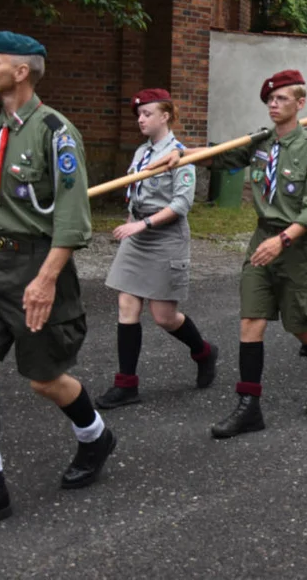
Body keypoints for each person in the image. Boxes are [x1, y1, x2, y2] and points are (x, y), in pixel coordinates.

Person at [0, 32, 115, 537]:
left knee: (43, 379)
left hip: (37, 264)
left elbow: (74, 220)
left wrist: (46, 280)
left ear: (21, 71)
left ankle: (95, 436)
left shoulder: (57, 133)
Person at [154, 69, 307, 437]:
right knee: (250, 322)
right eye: (270, 98)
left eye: (282, 98)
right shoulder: (261, 141)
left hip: (296, 247)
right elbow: (220, 156)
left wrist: (282, 241)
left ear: (300, 104)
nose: (273, 103)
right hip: (262, 241)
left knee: (299, 325)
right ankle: (249, 406)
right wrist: (181, 154)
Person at [96, 89, 217, 409]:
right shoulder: (141, 153)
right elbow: (137, 192)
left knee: (164, 316)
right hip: (138, 236)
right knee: (127, 306)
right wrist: (132, 218)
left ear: (166, 116)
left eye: (147, 113)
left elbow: (181, 204)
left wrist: (143, 224)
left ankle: (204, 352)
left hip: (166, 238)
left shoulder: (181, 155)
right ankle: (126, 384)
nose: (140, 119)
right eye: (139, 114)